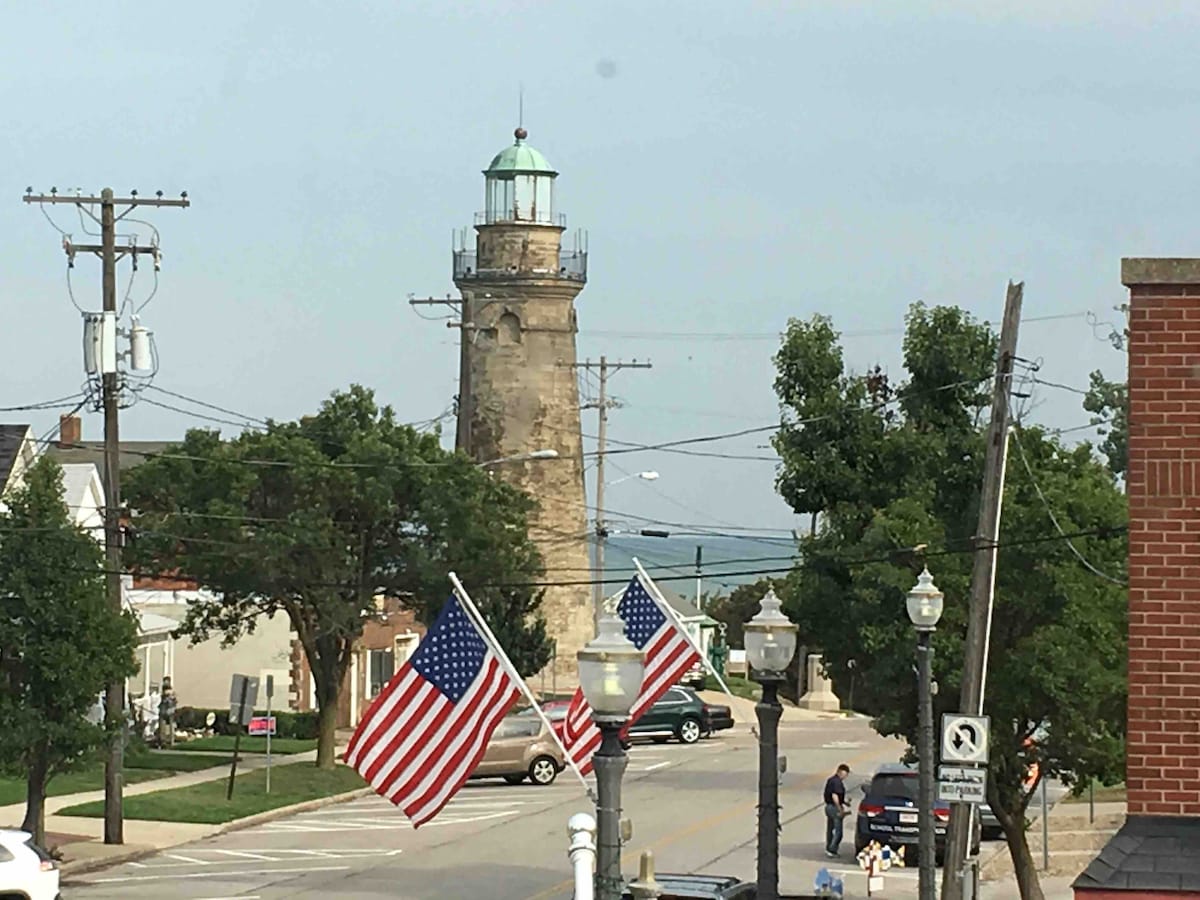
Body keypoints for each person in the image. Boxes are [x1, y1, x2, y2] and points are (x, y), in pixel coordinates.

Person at [823, 763, 851, 857]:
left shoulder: (831, 780)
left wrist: (845, 802)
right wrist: (840, 808)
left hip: (828, 807)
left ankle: (828, 848)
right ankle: (832, 849)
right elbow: (834, 795)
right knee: (838, 831)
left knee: (830, 829)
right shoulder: (837, 782)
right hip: (834, 808)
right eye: (845, 774)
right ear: (840, 772)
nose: (845, 776)